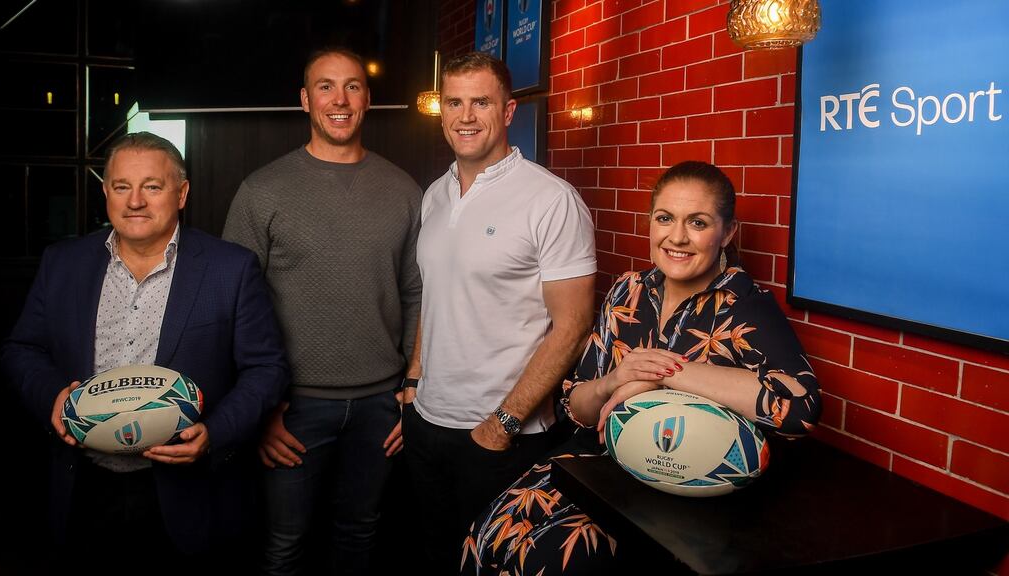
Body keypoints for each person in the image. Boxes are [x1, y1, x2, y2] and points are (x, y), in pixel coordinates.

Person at [461, 161, 822, 575]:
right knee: (484, 538)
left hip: (672, 486)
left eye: (698, 222)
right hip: (595, 461)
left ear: (727, 233)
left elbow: (800, 409)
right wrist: (616, 380)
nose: (677, 237)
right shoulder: (628, 291)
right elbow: (577, 406)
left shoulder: (745, 306)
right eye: (665, 218)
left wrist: (664, 374)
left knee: (547, 563)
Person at [1, 131, 289, 570]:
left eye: (152, 186)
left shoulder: (231, 268)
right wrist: (53, 397)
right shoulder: (63, 262)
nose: (135, 201)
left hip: (185, 493)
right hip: (84, 485)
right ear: (106, 192)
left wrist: (214, 433)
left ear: (181, 194)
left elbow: (266, 368)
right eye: (122, 186)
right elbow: (22, 348)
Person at [222, 46, 422, 576]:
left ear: (367, 99)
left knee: (361, 534)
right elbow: (233, 308)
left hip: (381, 405)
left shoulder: (403, 190)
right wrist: (258, 410)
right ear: (305, 99)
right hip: (292, 409)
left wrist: (413, 388)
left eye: (352, 86)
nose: (340, 99)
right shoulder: (262, 190)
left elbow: (416, 294)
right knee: (285, 544)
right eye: (326, 87)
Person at [401, 51, 597, 572]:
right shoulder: (436, 195)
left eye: (481, 103)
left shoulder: (550, 200)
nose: (465, 116)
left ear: (508, 111)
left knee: (493, 566)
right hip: (427, 420)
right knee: (435, 557)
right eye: (454, 102)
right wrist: (414, 382)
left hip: (504, 435)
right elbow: (436, 295)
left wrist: (502, 424)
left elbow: (574, 326)